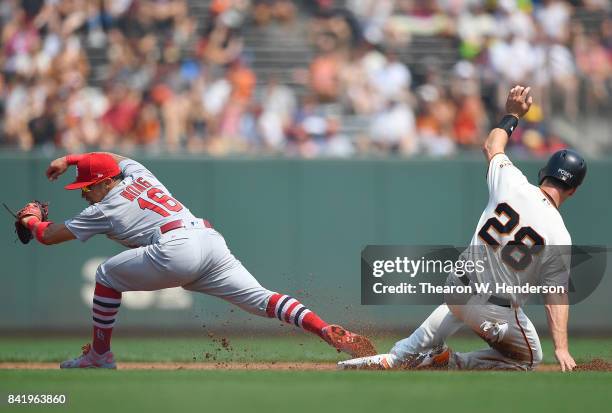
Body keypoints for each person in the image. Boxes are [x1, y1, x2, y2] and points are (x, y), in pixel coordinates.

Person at [18, 152, 376, 368]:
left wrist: (30, 219)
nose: (84, 193)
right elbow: (116, 158)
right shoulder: (141, 175)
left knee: (106, 274)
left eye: (86, 186)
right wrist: (73, 159)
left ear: (105, 183)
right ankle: (324, 329)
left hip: (175, 247)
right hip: (207, 239)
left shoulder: (107, 205)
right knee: (263, 299)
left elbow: (49, 236)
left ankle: (99, 355)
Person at [338, 86, 586, 371]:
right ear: (573, 190)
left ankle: (395, 356)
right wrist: (562, 347)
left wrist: (512, 115)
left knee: (444, 318)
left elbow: (492, 145)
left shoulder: (512, 182)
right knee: (530, 359)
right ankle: (450, 362)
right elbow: (556, 295)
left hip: (457, 288)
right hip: (494, 312)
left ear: (545, 172)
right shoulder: (559, 233)